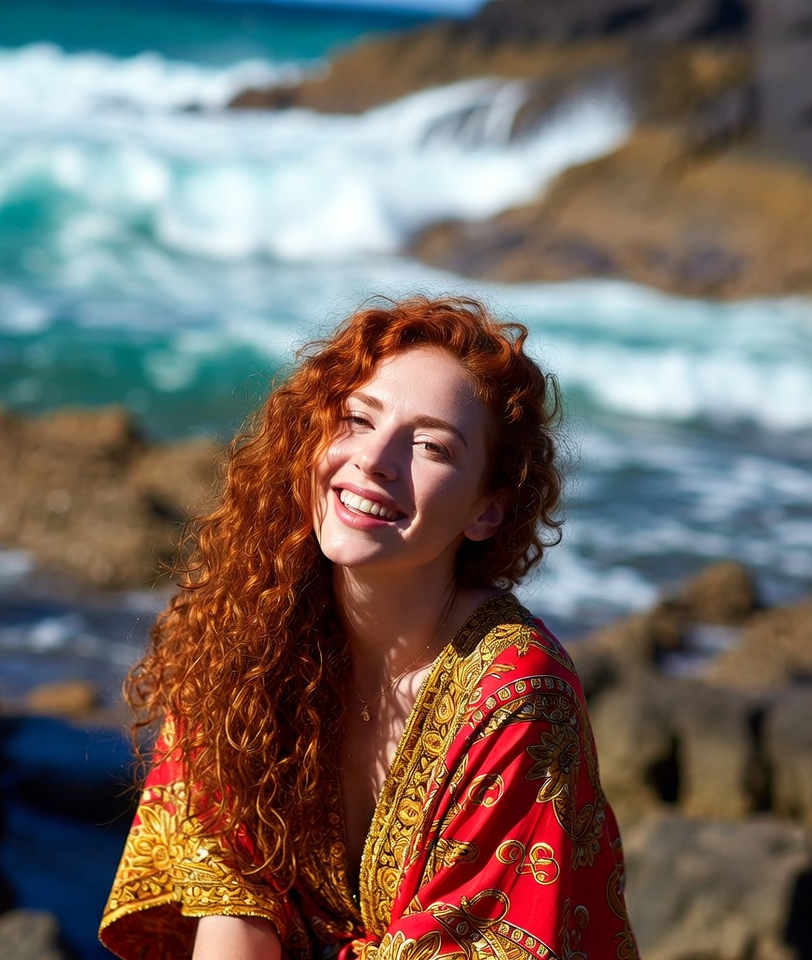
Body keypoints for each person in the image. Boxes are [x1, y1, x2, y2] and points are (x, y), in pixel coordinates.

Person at [99, 295, 639, 960]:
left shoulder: (518, 693)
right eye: (358, 419)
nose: (375, 459)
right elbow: (230, 898)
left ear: (488, 510)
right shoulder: (244, 626)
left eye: (431, 446)